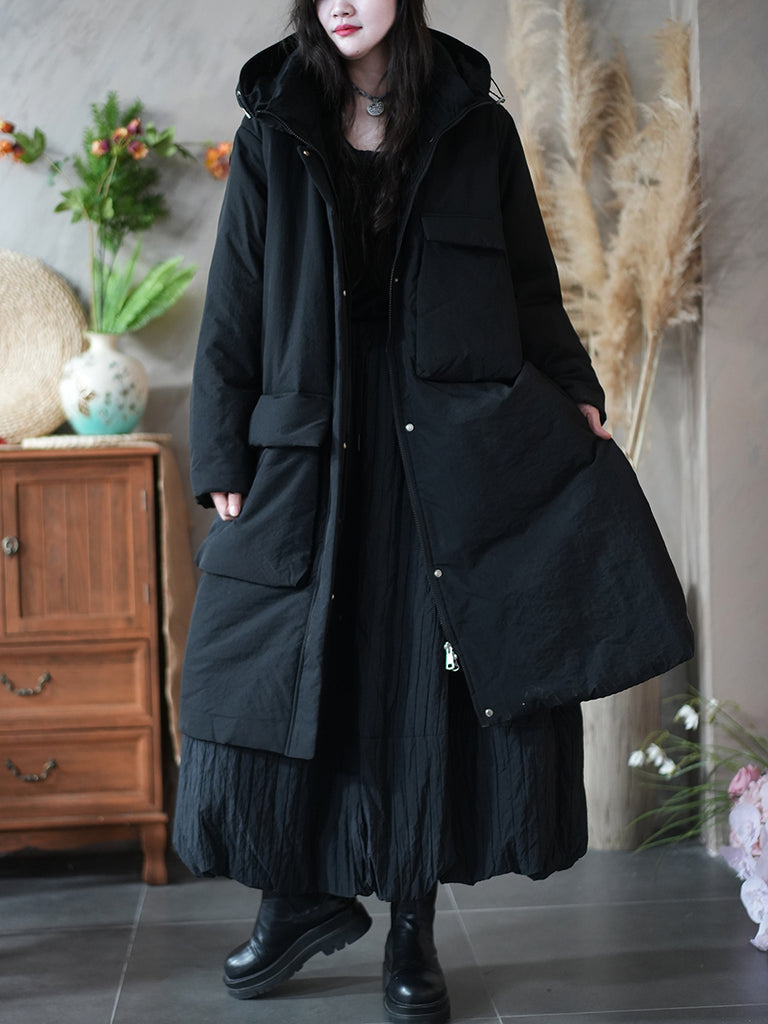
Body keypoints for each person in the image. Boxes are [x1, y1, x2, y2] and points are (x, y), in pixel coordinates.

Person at [173, 2, 694, 1022]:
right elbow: (234, 297)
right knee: (292, 669)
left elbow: (530, 284)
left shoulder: (475, 127)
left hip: (446, 443)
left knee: (425, 683)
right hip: (312, 444)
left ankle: (410, 924)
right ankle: (298, 895)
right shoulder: (273, 125)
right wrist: (223, 448)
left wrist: (571, 384)